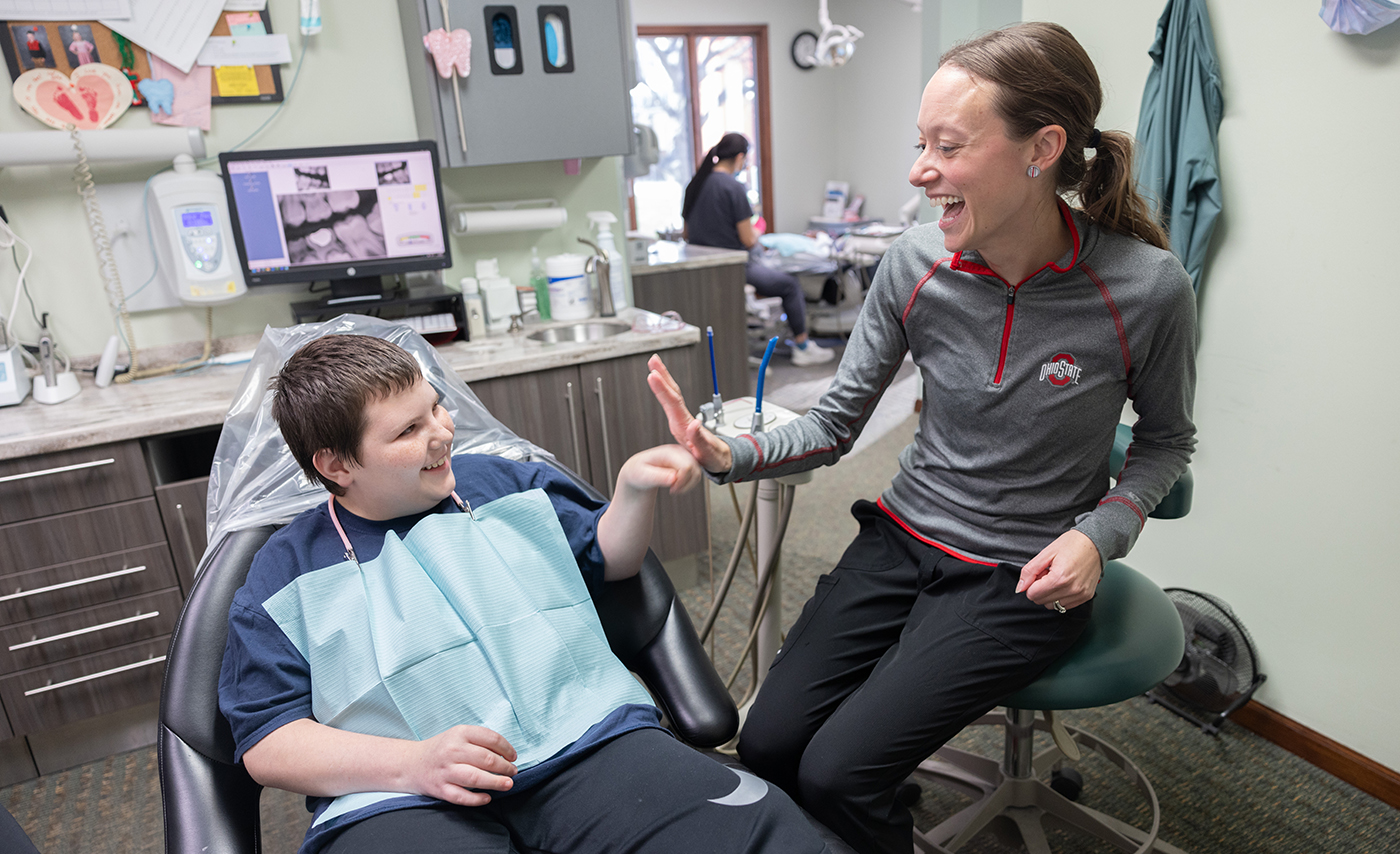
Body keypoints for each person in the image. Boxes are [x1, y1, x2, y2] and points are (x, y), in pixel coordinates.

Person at [647, 22, 1196, 854]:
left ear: (1042, 148)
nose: (917, 170)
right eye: (920, 144)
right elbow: (835, 425)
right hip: (902, 540)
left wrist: (1098, 536)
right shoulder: (913, 266)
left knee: (836, 772)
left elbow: (1164, 444)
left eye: (947, 145)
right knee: (767, 743)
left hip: (1021, 574)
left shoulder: (1145, 288)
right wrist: (732, 455)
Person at [218, 334, 831, 854]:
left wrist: (633, 491)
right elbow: (269, 741)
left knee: (764, 833)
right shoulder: (283, 576)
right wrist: (412, 763)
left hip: (585, 740)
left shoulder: (506, 485)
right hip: (395, 796)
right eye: (409, 430)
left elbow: (610, 562)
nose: (442, 434)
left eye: (437, 409)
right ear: (336, 464)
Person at [682, 132, 834, 367]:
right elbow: (748, 239)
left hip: (702, 270)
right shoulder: (733, 188)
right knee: (790, 285)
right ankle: (803, 347)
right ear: (740, 157)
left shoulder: (695, 185)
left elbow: (686, 234)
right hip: (734, 268)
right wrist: (757, 232)